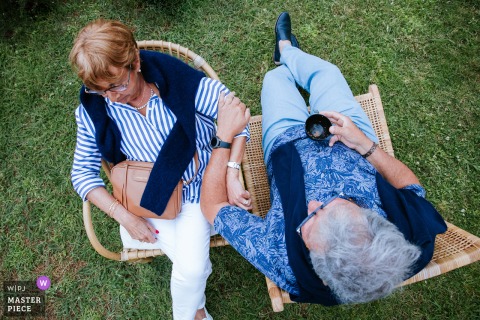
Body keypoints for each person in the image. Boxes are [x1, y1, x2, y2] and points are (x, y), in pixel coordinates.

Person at [201, 12, 447, 305]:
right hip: (350, 134)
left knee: (275, 80)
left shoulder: (283, 259)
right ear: (375, 223)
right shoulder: (411, 234)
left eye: (310, 218)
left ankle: (285, 62)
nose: (314, 203)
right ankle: (288, 50)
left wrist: (225, 139)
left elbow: (212, 206)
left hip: (286, 143)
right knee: (327, 74)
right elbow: (411, 187)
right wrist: (366, 145)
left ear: (319, 267)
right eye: (337, 204)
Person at [69, 19, 250, 320]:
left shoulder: (176, 79)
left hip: (197, 187)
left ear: (136, 62)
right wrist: (124, 217)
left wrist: (230, 172)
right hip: (148, 197)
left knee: (192, 268)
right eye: (101, 90)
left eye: (118, 85)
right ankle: (198, 312)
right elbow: (82, 174)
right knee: (194, 267)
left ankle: (193, 315)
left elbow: (237, 117)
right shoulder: (93, 108)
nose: (112, 97)